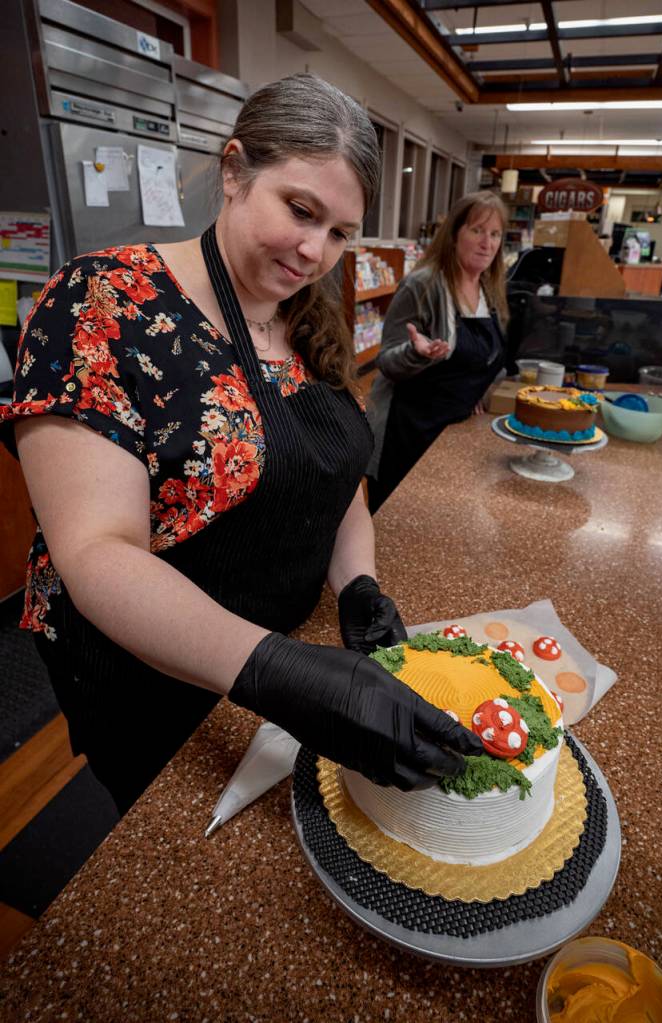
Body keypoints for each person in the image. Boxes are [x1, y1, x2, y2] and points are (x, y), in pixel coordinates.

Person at [1, 74, 482, 815]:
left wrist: (357, 581)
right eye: (300, 210)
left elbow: (341, 471)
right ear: (233, 171)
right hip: (154, 678)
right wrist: (276, 671)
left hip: (290, 645)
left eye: (340, 233)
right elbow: (98, 551)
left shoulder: (308, 319)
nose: (314, 251)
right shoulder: (99, 303)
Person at [365, 190, 509, 513]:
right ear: (455, 233)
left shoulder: (490, 288)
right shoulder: (423, 285)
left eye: (495, 234)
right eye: (477, 230)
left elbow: (490, 359)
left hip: (453, 432)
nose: (487, 243)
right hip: (408, 432)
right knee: (395, 522)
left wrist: (478, 392)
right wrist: (418, 353)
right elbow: (386, 361)